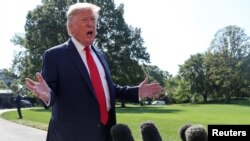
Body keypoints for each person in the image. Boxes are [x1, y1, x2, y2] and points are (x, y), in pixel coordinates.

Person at [25, 2, 162, 141]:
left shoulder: (101, 55)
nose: (91, 24)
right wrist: (47, 95)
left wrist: (138, 91)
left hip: (106, 133)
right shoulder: (54, 55)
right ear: (70, 27)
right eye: (85, 20)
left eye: (93, 20)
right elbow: (50, 92)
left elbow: (108, 90)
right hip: (71, 136)